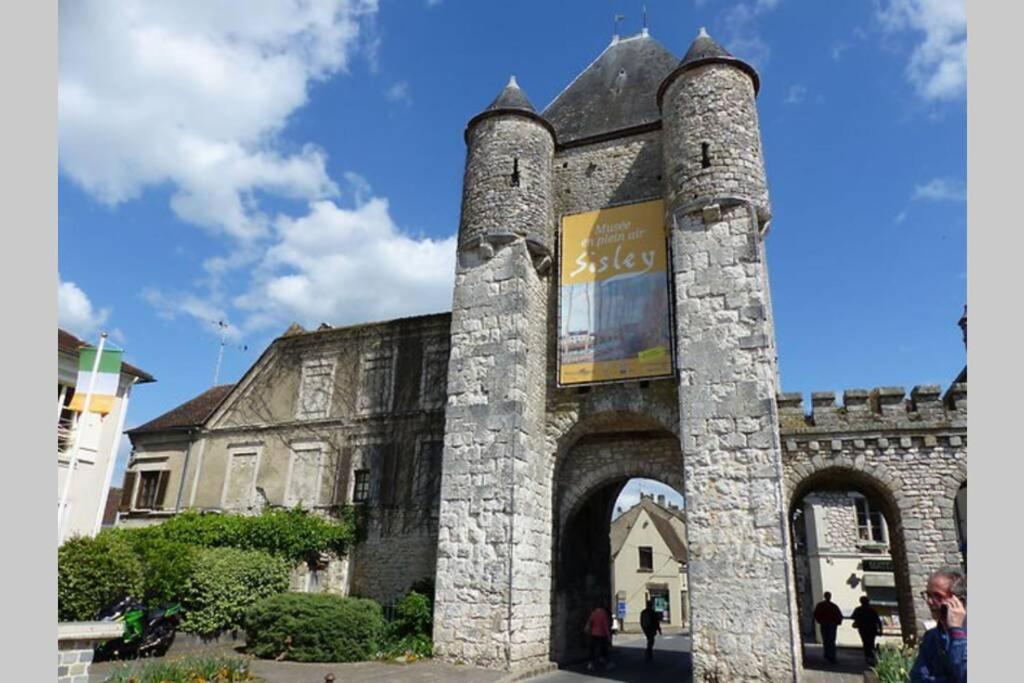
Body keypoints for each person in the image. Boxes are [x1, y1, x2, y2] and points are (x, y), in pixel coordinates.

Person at [910, 567, 966, 682]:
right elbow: (917, 678)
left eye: (938, 596)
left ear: (959, 601)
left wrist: (956, 632)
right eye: (928, 595)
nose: (930, 602)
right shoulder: (931, 637)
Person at [850, 595, 884, 665]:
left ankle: (868, 656)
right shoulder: (872, 610)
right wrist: (880, 630)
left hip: (863, 629)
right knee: (871, 642)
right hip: (872, 629)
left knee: (865, 642)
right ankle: (871, 656)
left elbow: (852, 617)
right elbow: (878, 621)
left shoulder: (858, 609)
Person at [813, 591, 844, 664]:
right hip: (831, 624)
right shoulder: (833, 606)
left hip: (825, 624)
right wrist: (837, 622)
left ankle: (827, 654)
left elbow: (816, 614)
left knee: (826, 640)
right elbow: (839, 616)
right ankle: (831, 655)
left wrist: (819, 620)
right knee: (831, 640)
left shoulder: (820, 605)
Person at [584, 605, 613, 671]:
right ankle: (607, 663)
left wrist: (587, 631)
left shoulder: (593, 613)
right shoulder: (604, 614)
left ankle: (590, 664)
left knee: (592, 649)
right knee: (604, 649)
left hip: (593, 634)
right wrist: (609, 637)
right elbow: (605, 626)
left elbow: (589, 622)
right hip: (602, 635)